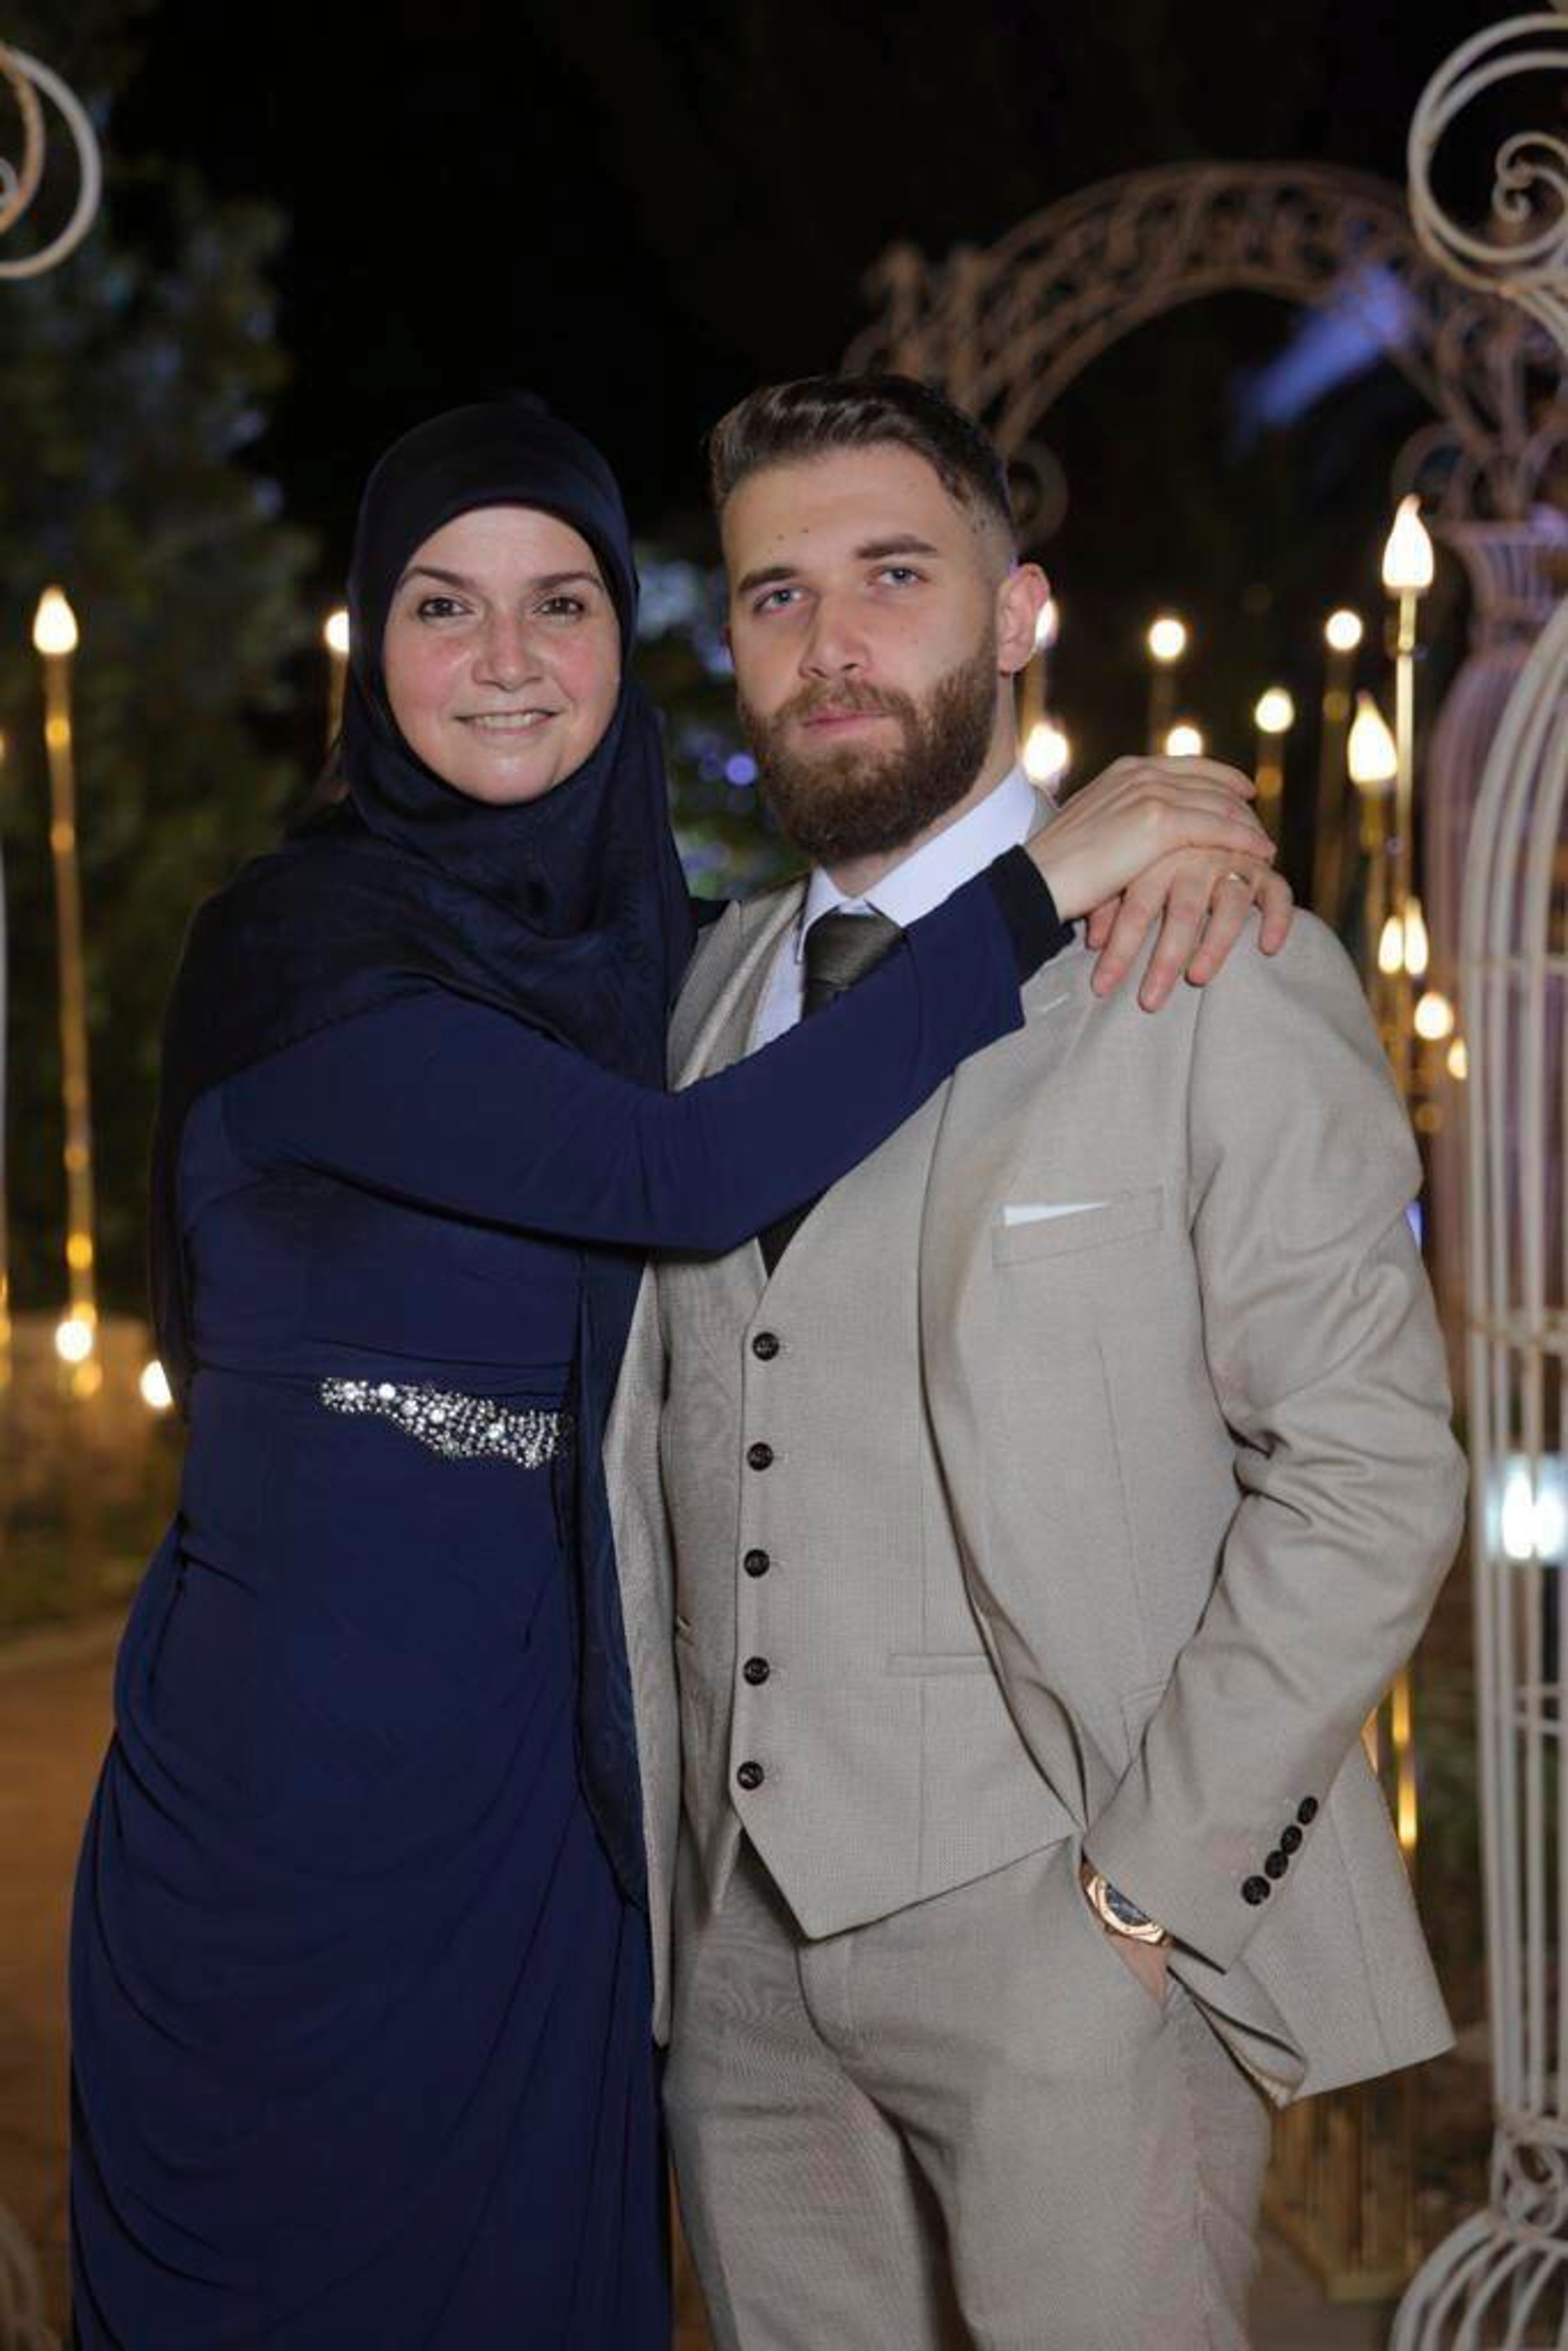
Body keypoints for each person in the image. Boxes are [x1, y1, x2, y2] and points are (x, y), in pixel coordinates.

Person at [67, 394, 1281, 2350]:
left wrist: (1176, 820)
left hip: (552, 1830)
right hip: (291, 1816)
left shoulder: (663, 970)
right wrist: (1053, 884)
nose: (506, 661)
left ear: (622, 654)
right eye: (441, 609)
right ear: (367, 655)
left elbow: (831, 1016)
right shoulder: (304, 957)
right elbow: (682, 1175)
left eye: (561, 603)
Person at [604, 373, 1470, 2351]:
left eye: (893, 578)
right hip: (736, 1959)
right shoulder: (698, 990)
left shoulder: (1209, 965)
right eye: (773, 595)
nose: (829, 647)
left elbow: (1371, 1472)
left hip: (1070, 1939)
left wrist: (1143, 1901)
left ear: (1015, 612)